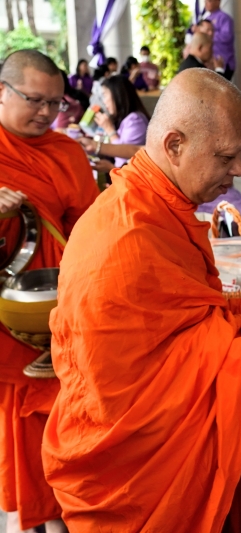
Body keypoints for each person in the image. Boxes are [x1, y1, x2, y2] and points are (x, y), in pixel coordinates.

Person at [41, 68, 241, 532]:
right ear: (174, 145)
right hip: (131, 479)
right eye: (227, 156)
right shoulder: (126, 237)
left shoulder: (153, 206)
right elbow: (127, 402)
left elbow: (185, 317)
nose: (239, 171)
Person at [0, 49, 99, 533]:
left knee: (73, 408)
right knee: (29, 414)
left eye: (55, 103)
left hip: (65, 303)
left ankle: (71, 507)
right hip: (10, 312)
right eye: (34, 100)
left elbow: (90, 227)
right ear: (2, 91)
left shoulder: (68, 152)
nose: (44, 112)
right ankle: (44, 513)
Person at [89, 75, 150, 171]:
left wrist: (109, 129)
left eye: (105, 95)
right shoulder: (126, 119)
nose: (104, 101)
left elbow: (124, 155)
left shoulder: (135, 120)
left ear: (117, 95)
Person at [202, 0, 235, 79]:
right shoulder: (206, 18)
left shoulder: (225, 17)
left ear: (218, 2)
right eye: (205, 1)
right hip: (210, 63)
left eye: (209, 1)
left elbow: (227, 36)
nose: (206, 3)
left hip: (223, 62)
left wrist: (208, 34)